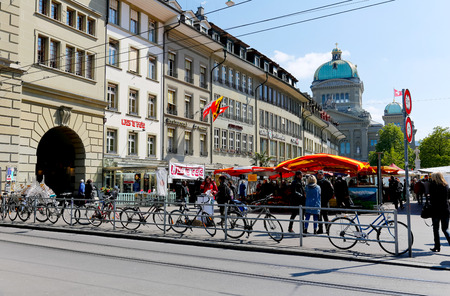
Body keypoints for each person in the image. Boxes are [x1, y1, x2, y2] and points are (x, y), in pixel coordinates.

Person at [429, 172, 450, 252]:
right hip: (445, 209)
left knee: (436, 229)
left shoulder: (433, 185)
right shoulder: (446, 185)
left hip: (436, 210)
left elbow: (432, 198)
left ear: (435, 177)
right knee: (445, 229)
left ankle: (437, 246)